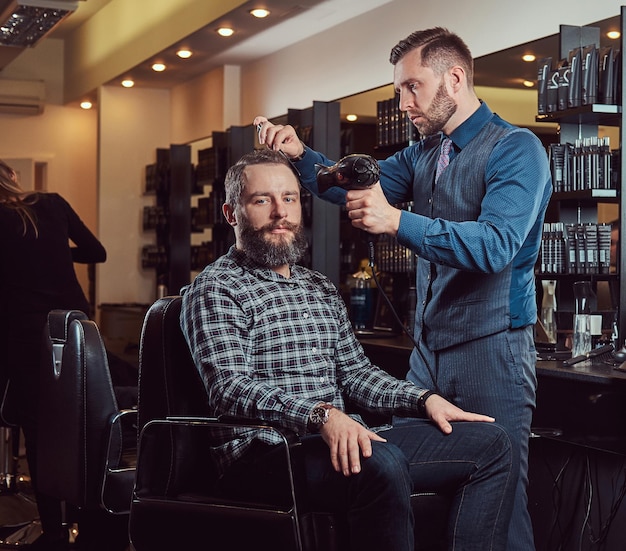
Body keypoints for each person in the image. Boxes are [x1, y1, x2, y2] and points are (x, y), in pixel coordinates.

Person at [254, 27, 552, 551]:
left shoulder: (516, 149)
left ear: (454, 79)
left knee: (498, 505)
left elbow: (497, 245)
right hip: (428, 357)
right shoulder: (423, 154)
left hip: (492, 351)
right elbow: (349, 182)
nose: (403, 102)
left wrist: (397, 222)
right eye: (398, 90)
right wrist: (301, 155)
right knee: (410, 489)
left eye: (412, 87)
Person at [180, 148, 514, 551]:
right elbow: (230, 388)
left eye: (288, 198)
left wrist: (424, 399)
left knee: (493, 443)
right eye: (261, 200)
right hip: (263, 453)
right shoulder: (216, 287)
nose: (279, 213)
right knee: (380, 464)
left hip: (334, 440)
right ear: (232, 213)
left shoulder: (317, 286)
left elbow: (355, 375)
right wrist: (321, 416)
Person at [0, 160, 111, 551]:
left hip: (27, 333)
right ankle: (92, 522)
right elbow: (97, 252)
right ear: (13, 175)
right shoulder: (53, 203)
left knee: (37, 431)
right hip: (76, 327)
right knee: (81, 423)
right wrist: (58, 253)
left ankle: (54, 531)